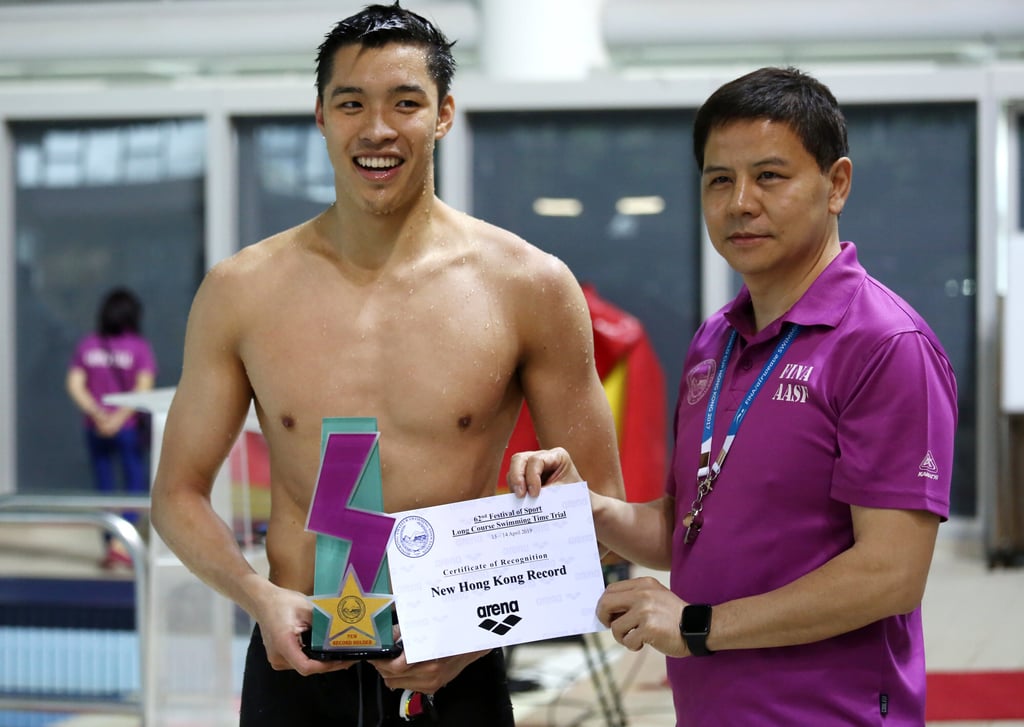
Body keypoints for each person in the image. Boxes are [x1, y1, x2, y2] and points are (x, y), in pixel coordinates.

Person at [149, 3, 624, 725]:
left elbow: (603, 509)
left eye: (405, 102)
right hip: (296, 661)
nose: (377, 129)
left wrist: (475, 637)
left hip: (458, 661)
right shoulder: (242, 291)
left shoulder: (527, 285)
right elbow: (177, 494)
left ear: (443, 114)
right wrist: (257, 595)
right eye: (351, 104)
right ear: (320, 116)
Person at [509, 66, 958, 726]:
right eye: (719, 180)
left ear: (836, 184)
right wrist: (588, 509)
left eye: (769, 176)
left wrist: (697, 625)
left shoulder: (885, 345)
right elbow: (690, 528)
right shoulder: (714, 343)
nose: (740, 202)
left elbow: (890, 574)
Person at [66, 286, 157, 568]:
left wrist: (98, 414)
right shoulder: (138, 347)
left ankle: (111, 543)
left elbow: (75, 384)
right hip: (127, 427)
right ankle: (122, 543)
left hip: (96, 427)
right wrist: (118, 418)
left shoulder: (89, 344)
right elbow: (143, 388)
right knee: (134, 485)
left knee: (103, 486)